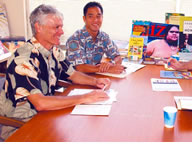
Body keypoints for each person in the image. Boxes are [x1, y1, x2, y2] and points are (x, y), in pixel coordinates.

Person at [0, 4, 111, 141]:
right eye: (56, 27)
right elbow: (40, 103)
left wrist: (95, 82)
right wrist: (84, 98)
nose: (62, 32)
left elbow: (73, 74)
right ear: (38, 27)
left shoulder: (54, 50)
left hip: (47, 116)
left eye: (61, 26)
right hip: (22, 126)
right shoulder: (23, 60)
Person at [66, 1, 124, 74]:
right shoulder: (75, 39)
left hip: (96, 77)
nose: (95, 20)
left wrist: (111, 64)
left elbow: (117, 57)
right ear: (84, 19)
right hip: (76, 81)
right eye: (90, 16)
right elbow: (79, 67)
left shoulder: (103, 37)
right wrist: (106, 69)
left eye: (98, 16)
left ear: (102, 17)